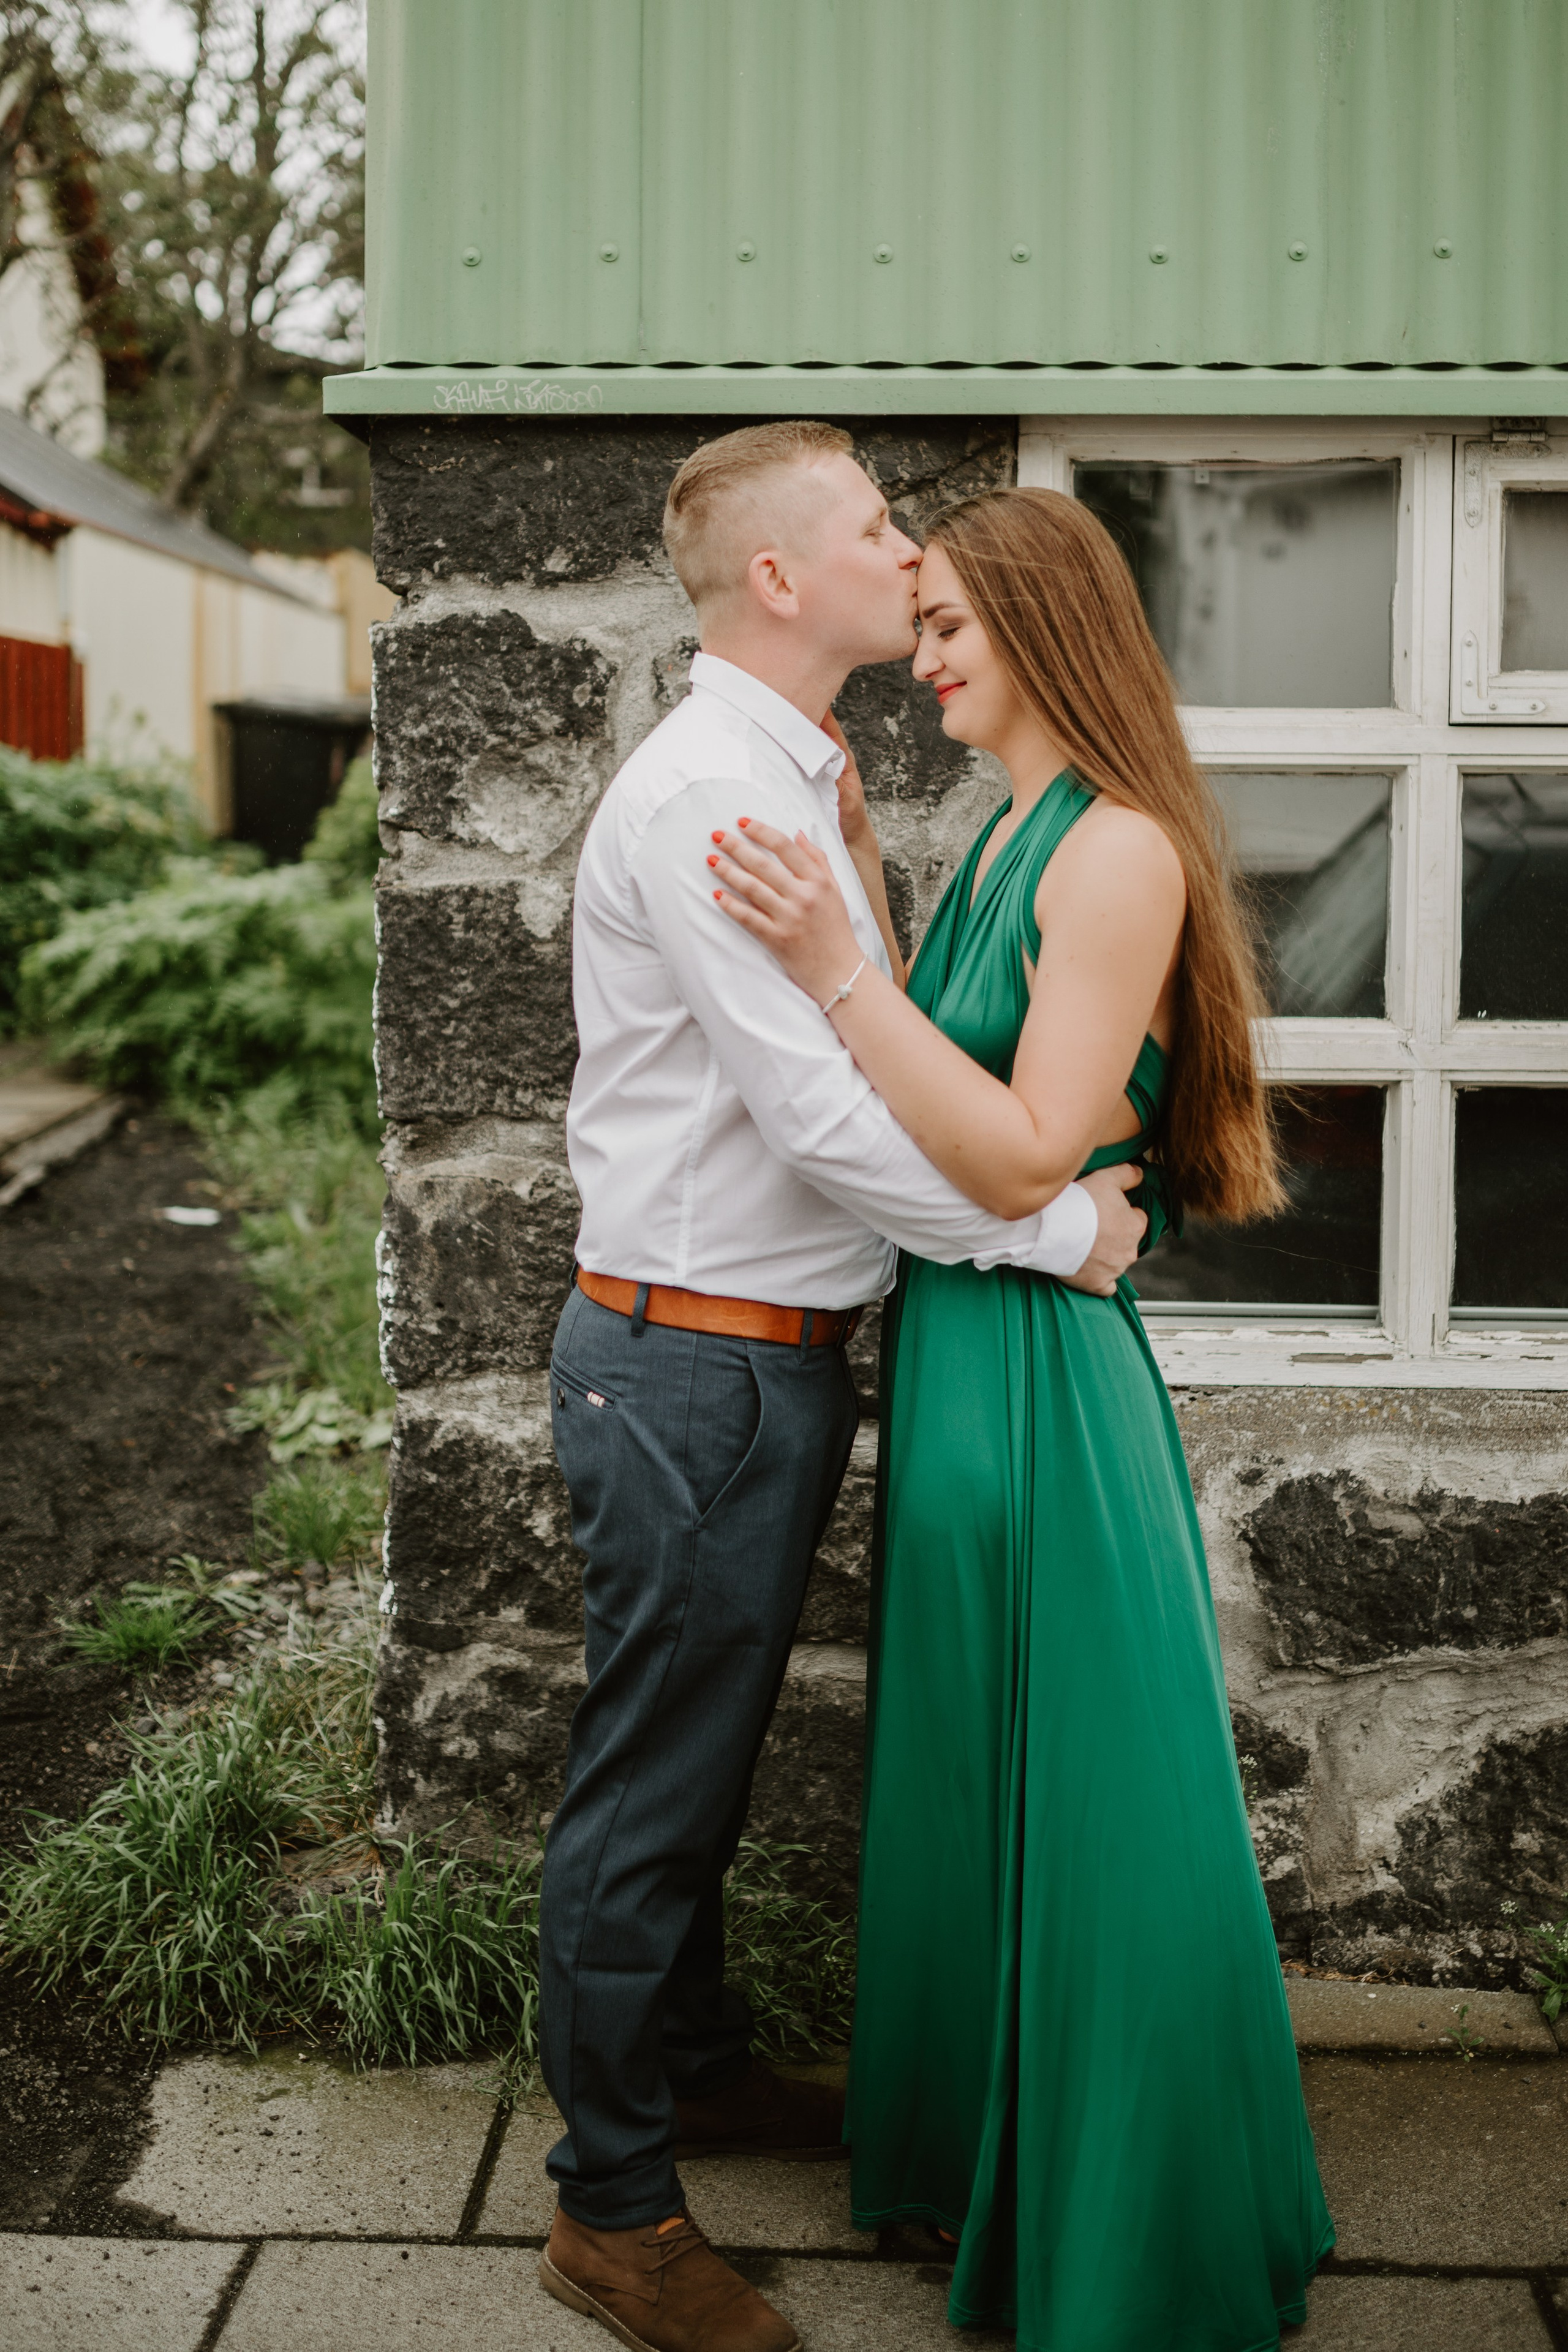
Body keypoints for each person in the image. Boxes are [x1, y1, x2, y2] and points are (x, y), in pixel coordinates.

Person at [537, 423, 1147, 2352]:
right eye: (878, 524)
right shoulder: (720, 791)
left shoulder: (799, 774)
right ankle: (608, 2209)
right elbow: (821, 1116)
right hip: (693, 1367)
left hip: (751, 1364)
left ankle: (694, 2066)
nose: (910, 550)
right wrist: (1054, 1237)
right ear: (778, 579)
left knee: (694, 1768)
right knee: (649, 1790)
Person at [707, 486, 1335, 2352]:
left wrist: (834, 965)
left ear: (1054, 636)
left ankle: (1134, 2234)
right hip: (972, 1359)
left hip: (1049, 1381)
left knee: (1098, 1805)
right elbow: (937, 1068)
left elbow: (1014, 1149)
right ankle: (1000, 2169)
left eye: (960, 629)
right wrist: (859, 887)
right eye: (926, 624)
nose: (928, 653)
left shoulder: (1118, 851)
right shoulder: (1005, 831)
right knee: (987, 1778)